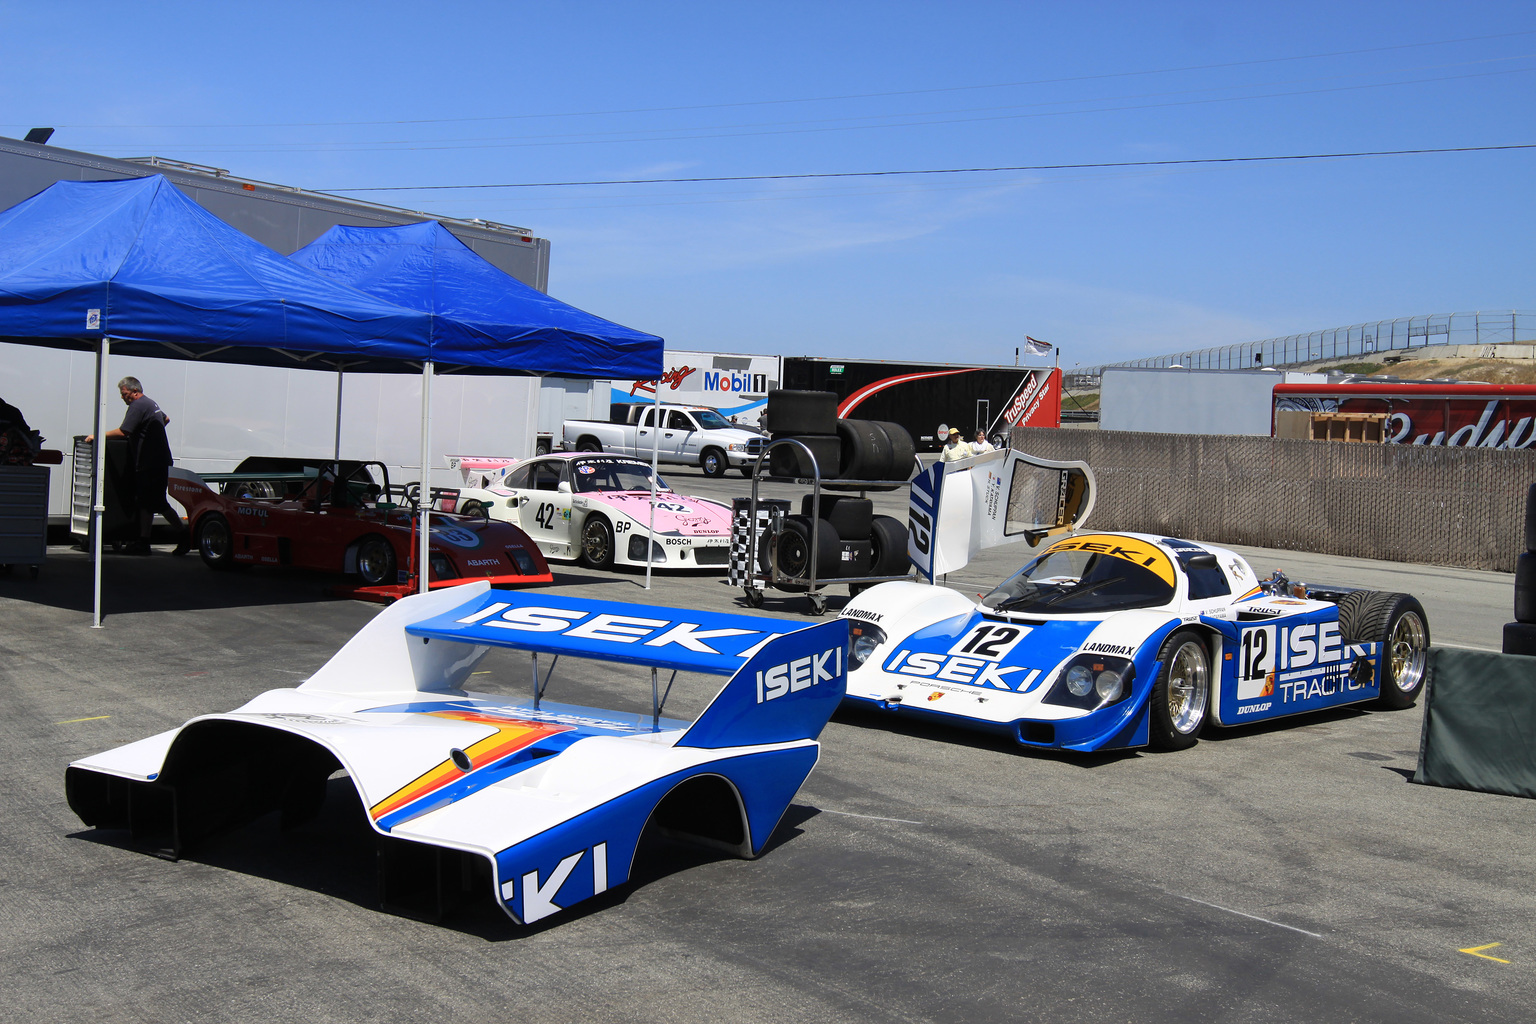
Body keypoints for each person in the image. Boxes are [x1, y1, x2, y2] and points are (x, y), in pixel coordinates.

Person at [86, 377, 189, 555]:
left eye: (124, 394)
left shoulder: (138, 405)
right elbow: (166, 418)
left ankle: (185, 535)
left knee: (157, 502)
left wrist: (98, 435)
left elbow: (124, 430)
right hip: (156, 460)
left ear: (135, 392)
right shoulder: (150, 403)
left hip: (151, 462)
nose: (122, 398)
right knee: (146, 502)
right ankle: (144, 541)